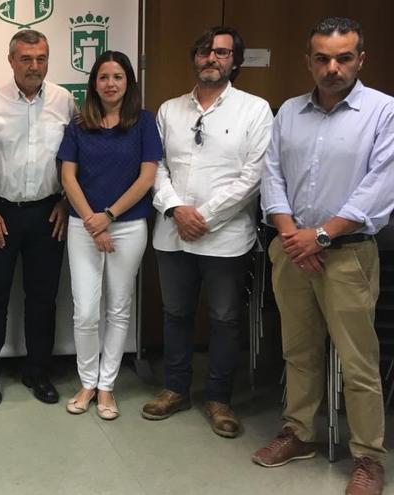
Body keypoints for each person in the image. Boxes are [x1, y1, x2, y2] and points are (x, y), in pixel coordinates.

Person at [253, 17, 393, 495]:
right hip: (292, 251)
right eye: (323, 58)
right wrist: (294, 236)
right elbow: (271, 176)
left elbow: (378, 189)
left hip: (348, 255)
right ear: (309, 61)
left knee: (359, 362)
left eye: (344, 58)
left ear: (360, 60)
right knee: (298, 350)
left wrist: (323, 238)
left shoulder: (383, 112)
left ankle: (369, 457)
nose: (333, 68)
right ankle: (298, 433)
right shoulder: (289, 112)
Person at [140, 26, 272, 438]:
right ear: (194, 58)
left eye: (221, 52)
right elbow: (156, 167)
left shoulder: (255, 110)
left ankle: (219, 398)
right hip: (173, 233)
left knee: (224, 319)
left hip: (227, 237)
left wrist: (206, 216)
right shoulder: (169, 110)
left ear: (234, 61)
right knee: (175, 314)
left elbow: (254, 175)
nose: (211, 58)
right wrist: (177, 209)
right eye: (204, 51)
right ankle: (176, 389)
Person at [0, 30, 76, 407]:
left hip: (48, 212)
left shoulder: (65, 101)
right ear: (12, 60)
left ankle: (38, 371)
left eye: (41, 59)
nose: (35, 66)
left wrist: (66, 201)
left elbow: (75, 157)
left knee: (43, 298)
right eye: (26, 59)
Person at [57, 51, 161, 420]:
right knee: (85, 311)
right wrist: (92, 221)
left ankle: (106, 387)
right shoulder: (78, 124)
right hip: (83, 226)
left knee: (118, 308)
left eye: (118, 77)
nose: (111, 84)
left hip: (129, 225)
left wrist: (110, 216)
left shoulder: (144, 123)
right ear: (94, 83)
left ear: (128, 82)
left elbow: (147, 177)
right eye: (104, 77)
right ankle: (86, 381)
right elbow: (68, 176)